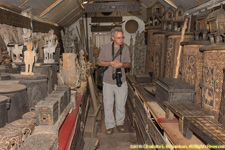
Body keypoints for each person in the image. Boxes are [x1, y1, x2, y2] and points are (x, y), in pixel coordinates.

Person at [98, 27, 131, 135]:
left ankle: (120, 123)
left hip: (121, 81)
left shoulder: (125, 48)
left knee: (121, 104)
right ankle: (109, 125)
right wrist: (110, 63)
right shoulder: (105, 47)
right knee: (108, 104)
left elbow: (128, 64)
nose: (121, 40)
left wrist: (121, 64)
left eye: (122, 37)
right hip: (107, 81)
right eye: (118, 38)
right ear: (113, 38)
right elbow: (99, 62)